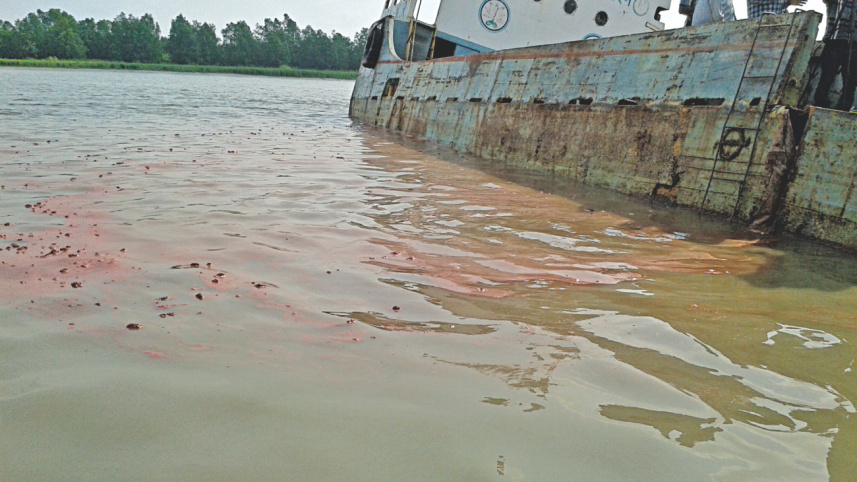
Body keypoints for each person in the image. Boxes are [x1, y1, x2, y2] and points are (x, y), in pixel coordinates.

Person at [813, 0, 857, 110]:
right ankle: (819, 106)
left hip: (854, 44)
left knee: (851, 81)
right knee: (827, 77)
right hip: (834, 42)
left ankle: (844, 110)